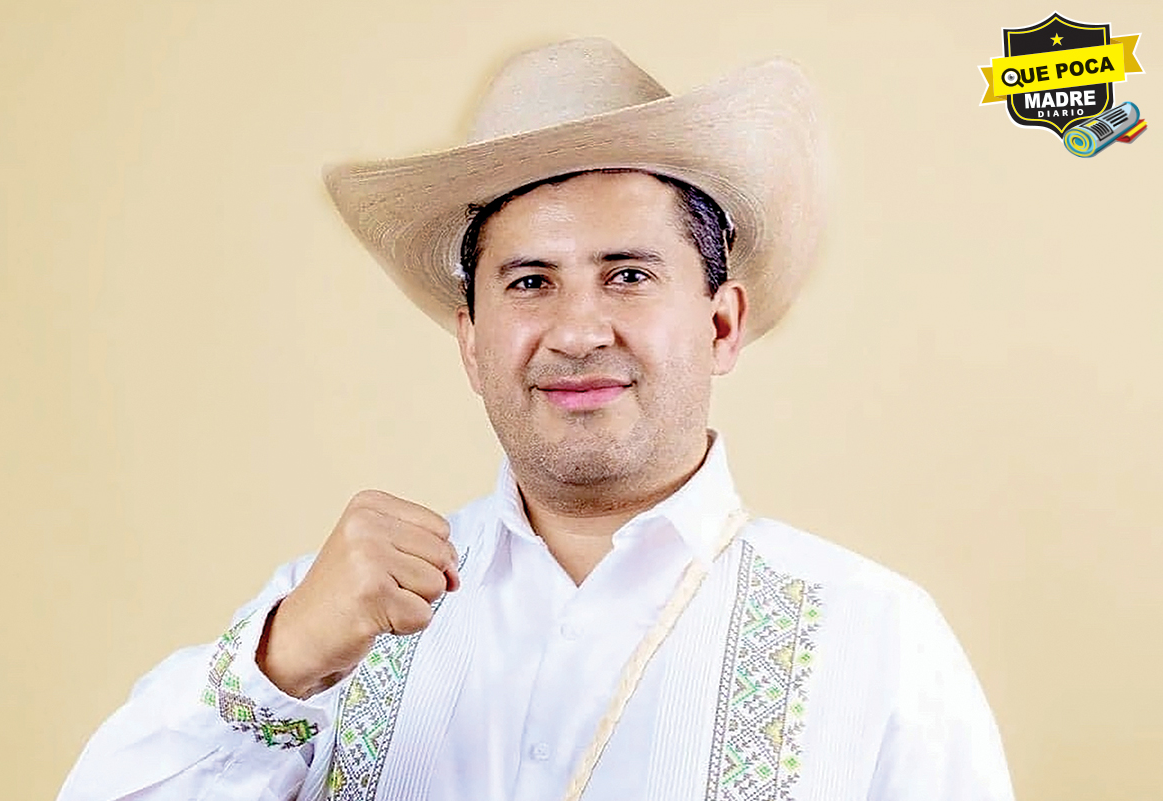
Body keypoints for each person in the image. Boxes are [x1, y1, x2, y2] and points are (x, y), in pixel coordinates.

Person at [58, 38, 1016, 801]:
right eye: (529, 282)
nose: (578, 330)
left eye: (628, 274)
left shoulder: (876, 639)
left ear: (721, 324)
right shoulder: (326, 621)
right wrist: (282, 660)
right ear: (472, 342)